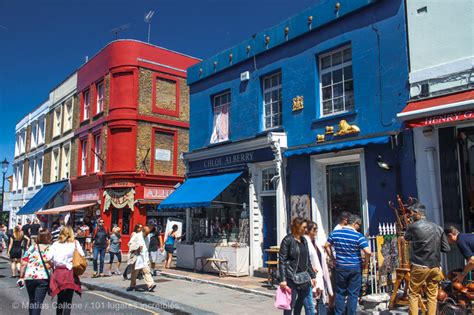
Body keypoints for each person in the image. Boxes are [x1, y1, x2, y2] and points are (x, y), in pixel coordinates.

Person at [404, 203, 450, 315]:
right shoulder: (438, 228)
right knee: (432, 296)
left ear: (418, 213)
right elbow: (446, 248)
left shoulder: (413, 227)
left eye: (412, 213)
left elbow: (406, 238)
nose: (410, 215)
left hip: (420, 265)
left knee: (413, 294)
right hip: (435, 267)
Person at [324, 214, 371, 315]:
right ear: (355, 224)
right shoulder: (358, 236)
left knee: (340, 292)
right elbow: (368, 252)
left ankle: (338, 313)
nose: (359, 227)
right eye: (359, 225)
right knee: (353, 294)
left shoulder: (335, 233)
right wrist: (365, 263)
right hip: (355, 267)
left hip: (340, 266)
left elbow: (326, 245)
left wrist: (333, 259)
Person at [279, 217, 317, 315]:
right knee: (289, 306)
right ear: (297, 227)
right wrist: (283, 279)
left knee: (307, 305)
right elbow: (282, 260)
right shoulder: (287, 240)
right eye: (304, 227)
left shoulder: (304, 240)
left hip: (304, 277)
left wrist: (312, 276)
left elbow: (307, 260)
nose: (306, 230)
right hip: (291, 277)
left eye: (306, 228)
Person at [46, 226, 84, 315]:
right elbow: (82, 254)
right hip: (70, 272)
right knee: (68, 300)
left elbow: (48, 257)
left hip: (58, 272)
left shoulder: (55, 244)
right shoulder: (75, 243)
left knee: (60, 298)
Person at [19, 229, 52, 315]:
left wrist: (21, 276)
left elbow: (23, 263)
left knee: (32, 300)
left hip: (29, 277)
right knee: (38, 303)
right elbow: (53, 263)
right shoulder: (50, 248)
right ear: (49, 237)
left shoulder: (32, 247)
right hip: (43, 277)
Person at [304, 221, 333, 315]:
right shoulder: (304, 242)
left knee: (321, 297)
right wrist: (310, 268)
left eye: (317, 229)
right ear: (307, 230)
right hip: (311, 274)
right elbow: (303, 258)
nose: (316, 231)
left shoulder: (315, 242)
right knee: (310, 300)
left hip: (320, 273)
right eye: (314, 229)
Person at [126, 225, 156, 292]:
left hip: (145, 257)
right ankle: (132, 285)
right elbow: (129, 244)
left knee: (146, 271)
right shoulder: (136, 236)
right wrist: (137, 247)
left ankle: (150, 284)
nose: (146, 235)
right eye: (146, 234)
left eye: (148, 234)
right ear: (142, 231)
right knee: (134, 273)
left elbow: (146, 248)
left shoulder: (148, 236)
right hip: (137, 257)